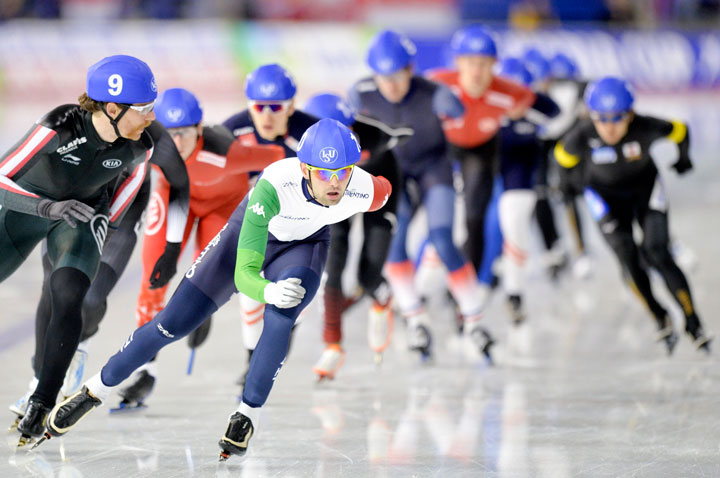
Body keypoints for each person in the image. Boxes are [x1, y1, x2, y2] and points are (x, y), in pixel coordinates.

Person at [42, 119, 392, 460]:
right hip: (245, 242)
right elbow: (245, 276)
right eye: (324, 173)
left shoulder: (364, 190)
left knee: (281, 319)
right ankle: (93, 390)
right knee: (170, 324)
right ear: (304, 170)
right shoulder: (275, 187)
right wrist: (266, 291)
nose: (335, 184)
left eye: (343, 172)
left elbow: (385, 187)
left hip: (305, 246)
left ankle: (246, 415)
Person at [0, 54, 159, 444]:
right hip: (28, 207)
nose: (151, 118)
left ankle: (41, 403)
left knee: (70, 296)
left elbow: (126, 191)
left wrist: (102, 224)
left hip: (80, 216)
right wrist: (45, 207)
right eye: (144, 110)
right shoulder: (61, 124)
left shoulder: (142, 146)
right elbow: (2, 175)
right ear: (112, 107)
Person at [10, 116, 191, 425]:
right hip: (71, 209)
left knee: (91, 298)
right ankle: (39, 382)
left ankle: (80, 342)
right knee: (53, 292)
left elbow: (179, 181)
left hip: (119, 216)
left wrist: (172, 246)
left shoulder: (149, 133)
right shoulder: (74, 126)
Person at [119, 87, 285, 409]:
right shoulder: (148, 143)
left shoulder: (229, 152)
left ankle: (206, 316)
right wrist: (168, 248)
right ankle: (143, 370)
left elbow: (285, 158)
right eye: (167, 134)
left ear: (199, 128)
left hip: (221, 205)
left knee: (203, 276)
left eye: (182, 134)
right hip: (174, 197)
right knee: (153, 281)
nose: (175, 143)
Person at [350, 29, 494, 360]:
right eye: (384, 78)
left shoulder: (434, 93)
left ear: (411, 70)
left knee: (442, 239)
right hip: (394, 173)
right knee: (394, 243)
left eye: (398, 76)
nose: (392, 86)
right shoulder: (360, 93)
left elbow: (462, 111)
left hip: (433, 169)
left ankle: (474, 320)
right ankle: (415, 318)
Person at [554, 76, 711, 354]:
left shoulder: (646, 126)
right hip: (604, 199)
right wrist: (567, 187)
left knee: (657, 252)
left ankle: (692, 320)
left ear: (631, 114)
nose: (609, 127)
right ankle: (658, 315)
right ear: (591, 116)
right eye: (601, 119)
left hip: (645, 192)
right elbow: (562, 161)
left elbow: (680, 131)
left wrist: (684, 159)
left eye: (617, 118)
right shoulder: (580, 136)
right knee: (627, 257)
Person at [303, 93, 411, 379]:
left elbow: (407, 133)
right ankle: (332, 346)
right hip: (334, 192)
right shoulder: (303, 141)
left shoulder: (375, 134)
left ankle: (381, 297)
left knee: (369, 273)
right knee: (332, 266)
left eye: (346, 133)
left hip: (375, 185)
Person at [223, 63, 319, 383]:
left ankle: (288, 327)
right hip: (258, 223)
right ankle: (252, 360)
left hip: (305, 226)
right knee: (250, 290)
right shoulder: (230, 132)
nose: (266, 116)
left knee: (294, 293)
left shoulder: (312, 134)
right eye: (258, 107)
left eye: (276, 107)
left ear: (291, 106)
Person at [428, 25, 535, 276]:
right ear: (458, 63)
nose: (477, 71)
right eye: (470, 63)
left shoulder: (509, 91)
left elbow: (532, 101)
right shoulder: (437, 84)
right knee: (439, 217)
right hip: (445, 150)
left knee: (474, 220)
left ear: (494, 65)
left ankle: (468, 287)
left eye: (484, 64)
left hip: (481, 151)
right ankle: (427, 279)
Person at [494, 57, 560, 323]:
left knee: (516, 227)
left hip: (520, 178)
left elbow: (559, 117)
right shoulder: (486, 107)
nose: (515, 104)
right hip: (485, 177)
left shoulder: (540, 110)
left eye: (522, 96)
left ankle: (514, 294)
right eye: (508, 96)